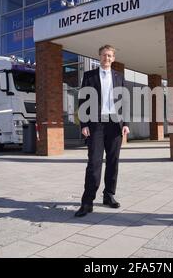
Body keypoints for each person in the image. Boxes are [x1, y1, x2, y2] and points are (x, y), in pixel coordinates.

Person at [75, 45, 130, 217]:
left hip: (115, 125)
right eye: (104, 55)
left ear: (113, 58)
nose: (107, 58)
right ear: (99, 56)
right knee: (94, 163)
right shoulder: (89, 76)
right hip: (95, 124)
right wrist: (83, 124)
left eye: (110, 55)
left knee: (113, 162)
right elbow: (83, 101)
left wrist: (126, 123)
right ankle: (87, 201)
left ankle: (109, 195)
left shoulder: (119, 77)